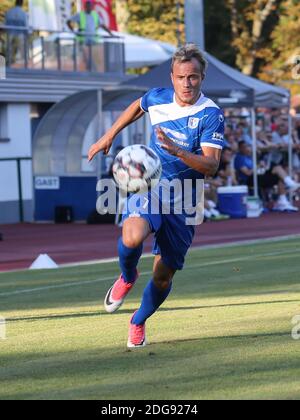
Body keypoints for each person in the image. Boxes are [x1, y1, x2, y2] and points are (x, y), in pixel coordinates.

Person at [88, 44, 225, 348]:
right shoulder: (159, 97)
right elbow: (139, 105)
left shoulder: (210, 114)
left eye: (193, 77)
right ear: (172, 77)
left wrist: (177, 150)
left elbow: (211, 166)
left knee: (163, 275)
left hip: (186, 199)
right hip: (152, 186)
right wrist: (109, 134)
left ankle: (137, 320)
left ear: (202, 78)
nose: (186, 84)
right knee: (133, 236)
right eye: (181, 77)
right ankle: (126, 276)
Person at [234, 141, 299, 212]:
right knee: (277, 169)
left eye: (248, 146)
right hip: (250, 180)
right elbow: (248, 173)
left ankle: (282, 201)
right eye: (245, 147)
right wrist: (257, 166)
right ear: (240, 148)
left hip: (258, 176)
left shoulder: (250, 157)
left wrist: (262, 167)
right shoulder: (239, 158)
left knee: (279, 173)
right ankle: (289, 184)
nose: (248, 149)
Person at [4, 0, 28, 65]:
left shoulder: (9, 12)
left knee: (9, 48)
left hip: (10, 32)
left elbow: (5, 23)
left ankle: (8, 62)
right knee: (22, 49)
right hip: (20, 33)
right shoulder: (23, 13)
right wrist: (26, 34)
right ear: (21, 4)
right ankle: (23, 63)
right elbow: (26, 25)